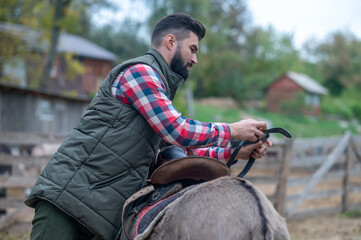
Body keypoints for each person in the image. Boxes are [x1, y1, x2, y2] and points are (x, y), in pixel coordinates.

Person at [25, 12, 271, 240]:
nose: (195, 59)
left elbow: (179, 149)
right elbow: (177, 131)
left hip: (98, 211)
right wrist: (231, 131)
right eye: (193, 49)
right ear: (171, 41)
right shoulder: (141, 73)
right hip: (68, 202)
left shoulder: (158, 89)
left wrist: (235, 151)